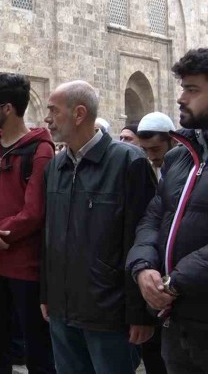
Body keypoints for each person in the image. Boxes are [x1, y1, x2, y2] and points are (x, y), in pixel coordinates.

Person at [42, 80, 156, 374]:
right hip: (62, 311)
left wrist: (140, 313)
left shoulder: (128, 162)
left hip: (109, 315)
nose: (47, 118)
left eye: (54, 111)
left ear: (79, 114)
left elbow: (141, 239)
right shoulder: (55, 167)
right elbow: (49, 236)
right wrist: (47, 293)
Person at [0, 73, 56, 374]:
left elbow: (34, 211)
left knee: (37, 348)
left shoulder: (40, 150)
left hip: (25, 268)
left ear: (8, 108)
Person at [127, 48, 208, 374]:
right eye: (182, 88)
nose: (181, 98)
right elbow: (153, 218)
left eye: (192, 89)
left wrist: (173, 282)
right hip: (178, 322)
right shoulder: (181, 157)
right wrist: (143, 266)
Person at [136, 112, 177, 181]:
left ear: (174, 141)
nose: (150, 157)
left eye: (155, 149)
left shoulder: (190, 169)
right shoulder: (144, 171)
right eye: (144, 149)